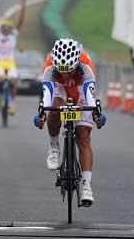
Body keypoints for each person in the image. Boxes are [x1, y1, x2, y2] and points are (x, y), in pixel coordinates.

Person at [33, 38, 106, 207]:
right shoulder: (50, 67)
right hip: (59, 89)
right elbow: (47, 96)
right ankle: (54, 147)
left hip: (80, 89)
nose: (65, 75)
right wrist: (43, 114)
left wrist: (96, 113)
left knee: (83, 137)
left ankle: (87, 186)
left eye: (69, 71)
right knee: (54, 108)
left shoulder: (86, 65)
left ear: (76, 63)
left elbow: (89, 95)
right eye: (62, 71)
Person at [0, 0, 26, 115]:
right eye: (4, 28)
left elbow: (20, 22)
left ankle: (12, 105)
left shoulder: (13, 35)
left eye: (8, 28)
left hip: (10, 62)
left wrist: (23, 8)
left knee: (13, 82)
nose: (6, 30)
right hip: (0, 62)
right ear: (2, 29)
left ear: (10, 29)